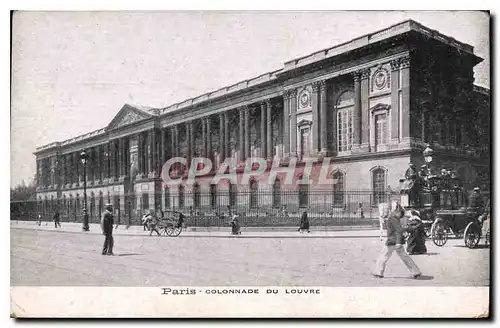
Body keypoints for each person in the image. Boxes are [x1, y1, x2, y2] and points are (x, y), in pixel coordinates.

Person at [372, 203, 422, 279]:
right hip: (396, 241)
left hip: (392, 241)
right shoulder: (394, 218)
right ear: (397, 212)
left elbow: (398, 230)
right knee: (405, 257)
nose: (400, 216)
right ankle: (416, 271)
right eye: (400, 214)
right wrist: (409, 229)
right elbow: (399, 230)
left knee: (384, 256)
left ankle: (378, 272)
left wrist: (406, 229)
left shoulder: (392, 218)